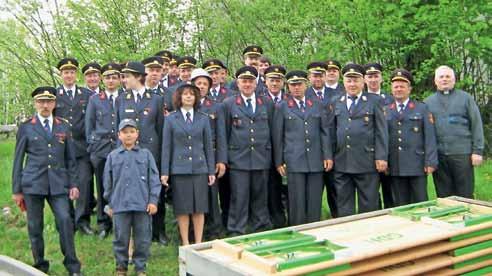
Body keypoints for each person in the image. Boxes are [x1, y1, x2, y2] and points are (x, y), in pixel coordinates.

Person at [12, 86, 81, 275]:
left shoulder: (63, 125)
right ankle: (40, 265)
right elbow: (18, 160)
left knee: (65, 221)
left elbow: (70, 159)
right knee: (35, 226)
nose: (45, 105)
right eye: (41, 102)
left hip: (59, 183)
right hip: (33, 183)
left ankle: (73, 266)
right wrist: (17, 190)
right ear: (35, 103)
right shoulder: (26, 127)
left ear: (54, 104)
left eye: (49, 101)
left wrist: (74, 184)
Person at [116, 61, 168, 245]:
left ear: (138, 77)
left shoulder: (156, 99)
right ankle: (137, 234)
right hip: (129, 153)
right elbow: (118, 130)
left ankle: (159, 231)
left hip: (151, 152)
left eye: (127, 76)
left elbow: (161, 131)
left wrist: (162, 159)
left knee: (156, 191)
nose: (124, 80)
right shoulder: (121, 99)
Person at [327, 63, 388, 217]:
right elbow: (331, 132)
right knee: (344, 206)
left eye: (356, 80)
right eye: (349, 80)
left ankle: (369, 235)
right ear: (344, 82)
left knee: (369, 204)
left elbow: (381, 131)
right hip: (342, 161)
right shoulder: (336, 101)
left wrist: (381, 156)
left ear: (363, 82)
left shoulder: (374, 100)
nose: (352, 84)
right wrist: (329, 156)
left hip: (366, 161)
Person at [273, 70, 333, 225]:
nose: (296, 87)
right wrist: (279, 161)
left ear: (306, 84)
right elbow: (278, 136)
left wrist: (327, 156)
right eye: (293, 85)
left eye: (299, 84)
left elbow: (324, 132)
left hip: (315, 158)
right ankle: (297, 230)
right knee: (296, 200)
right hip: (294, 160)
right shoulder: (282, 107)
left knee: (314, 199)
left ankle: (314, 228)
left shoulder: (317, 105)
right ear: (288, 86)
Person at [104, 118, 161, 276]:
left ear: (137, 134)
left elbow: (154, 180)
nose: (128, 135)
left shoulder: (146, 155)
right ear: (119, 135)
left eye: (131, 132)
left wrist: (153, 201)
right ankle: (121, 267)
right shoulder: (113, 156)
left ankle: (140, 267)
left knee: (142, 238)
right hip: (120, 205)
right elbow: (107, 183)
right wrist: (110, 203)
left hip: (142, 205)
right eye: (125, 132)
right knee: (120, 238)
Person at [161, 84, 216, 245]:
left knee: (200, 208)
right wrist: (165, 172)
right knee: (183, 208)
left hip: (200, 169)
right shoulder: (171, 119)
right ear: (179, 97)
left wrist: (211, 171)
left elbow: (208, 146)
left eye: (192, 94)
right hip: (179, 170)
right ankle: (185, 243)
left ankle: (198, 242)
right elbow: (166, 147)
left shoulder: (203, 118)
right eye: (185, 94)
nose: (189, 97)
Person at [223, 66, 273, 235]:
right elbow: (225, 134)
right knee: (239, 197)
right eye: (244, 81)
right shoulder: (229, 104)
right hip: (239, 158)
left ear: (256, 83)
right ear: (237, 83)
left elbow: (272, 130)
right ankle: (236, 230)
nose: (247, 84)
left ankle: (261, 228)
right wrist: (225, 159)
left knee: (261, 197)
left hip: (261, 157)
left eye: (250, 81)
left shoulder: (266, 102)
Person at [424, 65, 484, 198]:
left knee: (465, 193)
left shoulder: (466, 98)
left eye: (448, 76)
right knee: (443, 195)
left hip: (462, 154)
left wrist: (477, 151)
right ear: (435, 81)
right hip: (439, 156)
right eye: (441, 77)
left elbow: (476, 125)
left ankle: (467, 217)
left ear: (454, 80)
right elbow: (426, 133)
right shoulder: (428, 102)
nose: (444, 79)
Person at [54, 57, 95, 235]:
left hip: (82, 147)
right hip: (62, 147)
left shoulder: (87, 95)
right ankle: (68, 220)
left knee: (85, 183)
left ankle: (82, 220)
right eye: (65, 73)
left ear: (76, 74)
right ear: (61, 75)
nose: (69, 75)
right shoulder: (54, 96)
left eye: (71, 72)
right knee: (63, 184)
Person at [386, 69, 438, 206]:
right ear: (391, 89)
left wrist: (431, 161)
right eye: (396, 86)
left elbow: (430, 137)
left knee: (421, 202)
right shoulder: (386, 110)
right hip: (395, 165)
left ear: (409, 89)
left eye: (402, 86)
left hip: (417, 164)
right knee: (400, 204)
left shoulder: (421, 108)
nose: (398, 89)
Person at [85, 62, 122, 239]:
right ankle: (103, 223)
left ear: (119, 79)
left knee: (120, 186)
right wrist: (93, 147)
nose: (111, 80)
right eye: (107, 77)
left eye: (114, 77)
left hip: (121, 149)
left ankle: (120, 221)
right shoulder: (95, 99)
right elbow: (89, 125)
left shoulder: (125, 97)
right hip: (100, 150)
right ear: (102, 79)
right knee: (102, 187)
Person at [191, 68, 228, 239]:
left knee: (212, 195)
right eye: (198, 83)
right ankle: (194, 231)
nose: (202, 87)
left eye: (205, 84)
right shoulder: (187, 104)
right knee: (194, 194)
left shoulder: (216, 106)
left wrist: (221, 160)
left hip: (211, 155)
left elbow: (221, 135)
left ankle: (214, 229)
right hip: (192, 156)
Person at [363, 62, 394, 209]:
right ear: (364, 79)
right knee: (371, 194)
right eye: (370, 76)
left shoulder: (391, 99)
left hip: (388, 153)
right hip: (367, 154)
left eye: (376, 76)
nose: (373, 80)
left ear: (381, 78)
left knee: (390, 191)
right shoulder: (359, 100)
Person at [263, 64, 288, 228]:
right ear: (265, 81)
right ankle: (273, 220)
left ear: (283, 82)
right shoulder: (259, 100)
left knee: (288, 189)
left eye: (278, 80)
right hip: (265, 152)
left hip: (287, 151)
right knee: (270, 189)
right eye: (271, 80)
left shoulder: (290, 99)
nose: (274, 83)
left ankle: (290, 219)